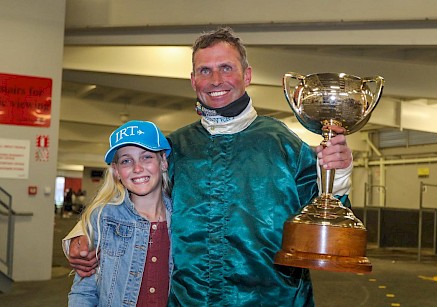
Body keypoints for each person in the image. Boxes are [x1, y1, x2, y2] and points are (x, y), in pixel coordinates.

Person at [64, 27, 353, 306]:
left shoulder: (283, 144)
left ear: (247, 75)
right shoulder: (174, 147)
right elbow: (128, 198)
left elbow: (328, 212)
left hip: (274, 298)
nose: (216, 79)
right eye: (205, 70)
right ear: (193, 80)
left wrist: (338, 172)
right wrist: (79, 234)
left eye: (226, 68)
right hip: (189, 300)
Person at [67, 120, 173, 306]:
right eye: (126, 161)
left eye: (146, 157)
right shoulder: (103, 218)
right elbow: (83, 292)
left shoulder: (184, 217)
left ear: (163, 161)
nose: (137, 168)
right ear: (116, 171)